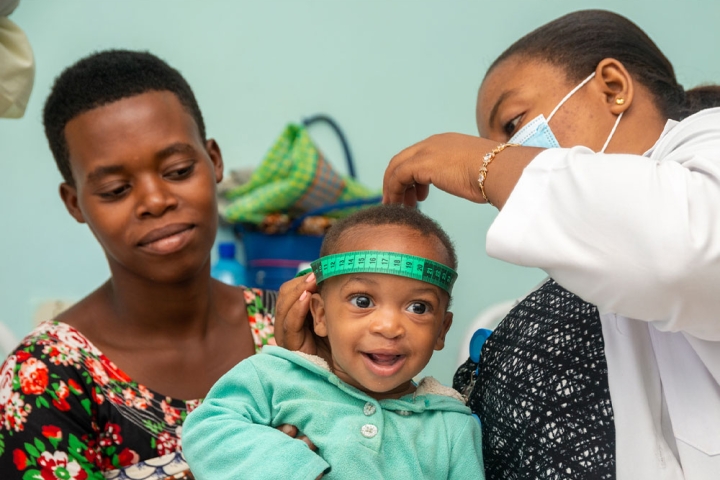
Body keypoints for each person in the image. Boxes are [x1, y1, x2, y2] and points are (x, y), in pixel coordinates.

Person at [279, 9, 720, 480]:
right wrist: (338, 385)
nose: (506, 152)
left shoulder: (706, 148)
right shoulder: (601, 253)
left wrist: (484, 163)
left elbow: (691, 255)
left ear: (612, 87)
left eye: (511, 126)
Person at [0, 50, 277, 479]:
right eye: (115, 190)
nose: (155, 201)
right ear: (75, 203)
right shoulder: (45, 378)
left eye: (179, 170)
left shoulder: (295, 325)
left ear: (214, 161)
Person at [182, 205, 485, 480]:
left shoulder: (451, 428)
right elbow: (206, 429)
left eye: (418, 307)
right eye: (363, 301)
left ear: (441, 331)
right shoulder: (272, 376)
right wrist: (291, 467)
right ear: (321, 315)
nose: (389, 327)